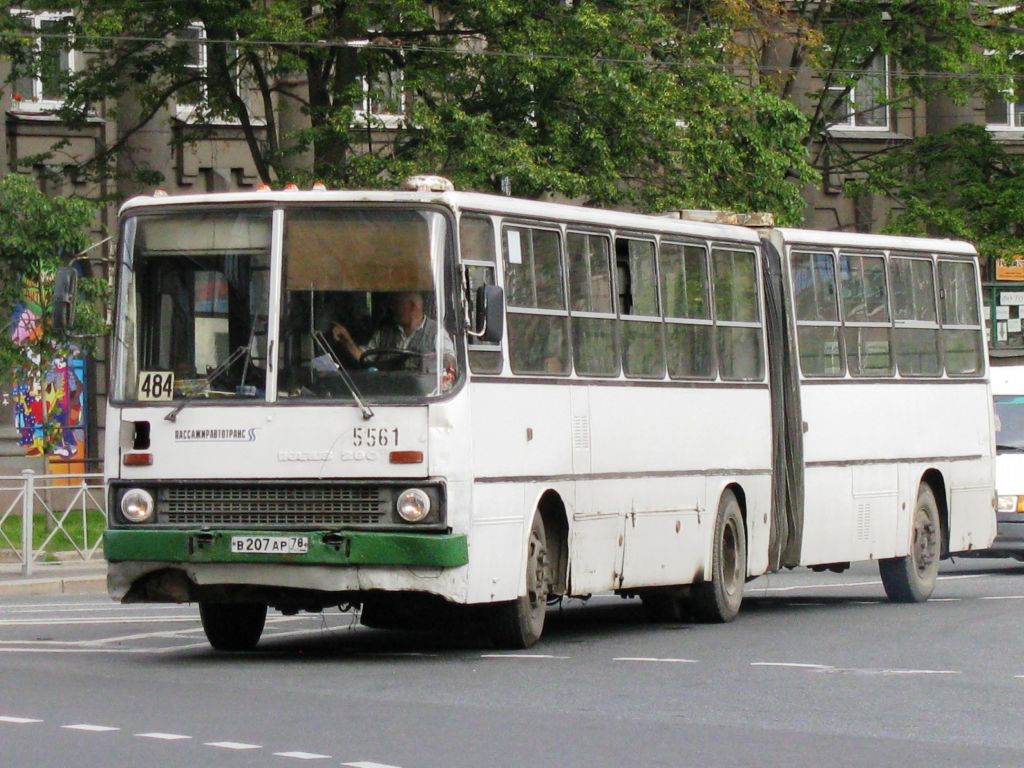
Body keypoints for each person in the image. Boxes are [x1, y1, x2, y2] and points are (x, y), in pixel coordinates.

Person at [331, 291, 455, 375]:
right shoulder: (384, 333)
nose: (393, 309)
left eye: (397, 305)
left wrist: (432, 360)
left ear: (412, 306)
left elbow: (449, 361)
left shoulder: (435, 332)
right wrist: (348, 341)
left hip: (420, 395)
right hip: (387, 393)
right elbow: (364, 357)